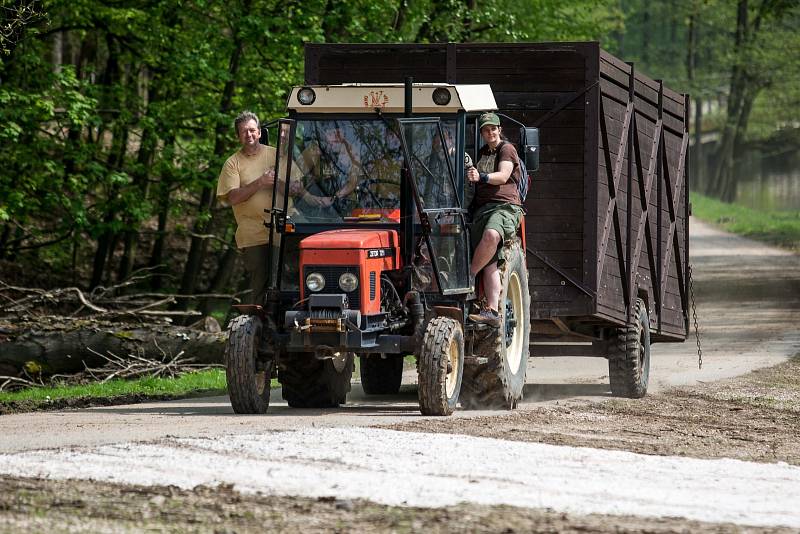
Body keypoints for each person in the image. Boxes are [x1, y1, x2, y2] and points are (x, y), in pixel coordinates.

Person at [466, 112, 525, 326]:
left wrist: (480, 176)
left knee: (491, 236)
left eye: (493, 128)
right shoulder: (481, 153)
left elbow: (502, 175)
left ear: (499, 129)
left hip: (504, 208)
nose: (490, 132)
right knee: (489, 260)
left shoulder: (506, 149)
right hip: (482, 210)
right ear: (481, 132)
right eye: (485, 129)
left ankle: (468, 277)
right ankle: (491, 311)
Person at [216, 111, 277, 306]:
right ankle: (261, 329)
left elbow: (297, 186)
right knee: (260, 285)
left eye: (252, 130)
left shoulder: (276, 154)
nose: (249, 135)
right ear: (238, 136)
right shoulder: (232, 163)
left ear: (259, 132)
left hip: (283, 231)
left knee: (291, 278)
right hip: (253, 235)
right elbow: (232, 197)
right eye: (244, 132)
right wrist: (260, 182)